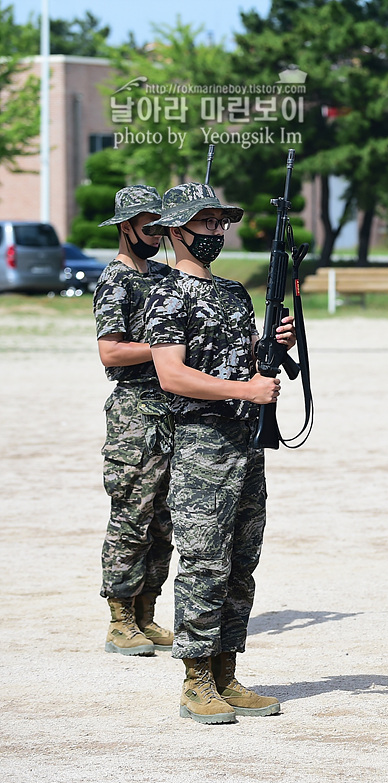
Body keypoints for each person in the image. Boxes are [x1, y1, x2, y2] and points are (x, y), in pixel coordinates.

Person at [143, 183, 295, 725]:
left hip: (246, 442)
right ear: (177, 230)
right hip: (202, 441)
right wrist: (243, 391)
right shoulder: (165, 293)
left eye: (218, 223)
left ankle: (227, 670)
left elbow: (247, 359)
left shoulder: (233, 292)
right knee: (204, 561)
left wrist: (277, 345)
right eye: (204, 223)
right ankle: (196, 678)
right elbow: (172, 374)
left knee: (241, 562)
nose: (214, 231)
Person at [93, 185, 174, 657]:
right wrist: (167, 350)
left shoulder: (166, 275)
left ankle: (147, 610)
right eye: (149, 226)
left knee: (165, 517)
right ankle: (120, 616)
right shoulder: (115, 280)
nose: (158, 234)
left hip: (174, 408)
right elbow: (111, 350)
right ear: (126, 227)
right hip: (135, 413)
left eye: (162, 226)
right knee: (132, 513)